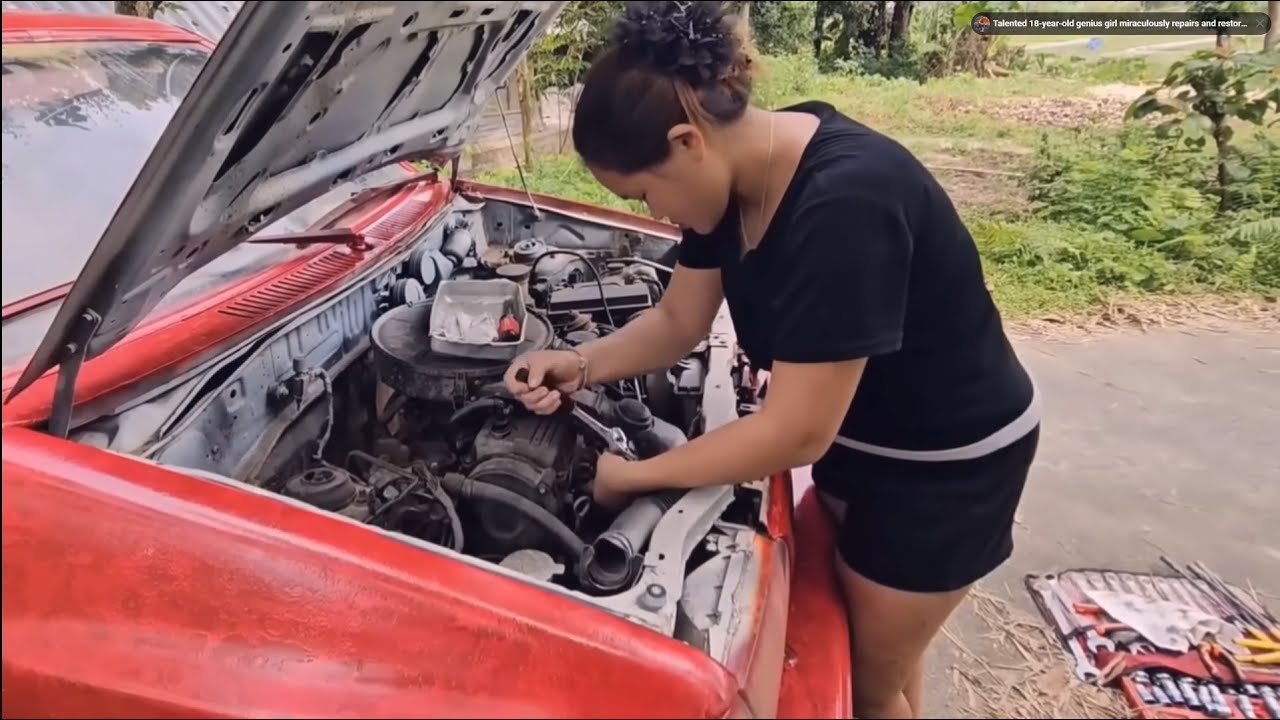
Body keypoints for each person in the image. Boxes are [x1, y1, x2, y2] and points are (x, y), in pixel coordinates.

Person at [503, 2, 1041, 717]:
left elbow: (795, 434)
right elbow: (676, 320)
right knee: (868, 650)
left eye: (644, 194)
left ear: (687, 140)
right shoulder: (738, 179)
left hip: (943, 472)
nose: (656, 216)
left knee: (868, 686)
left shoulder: (845, 203)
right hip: (868, 439)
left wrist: (634, 476)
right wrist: (580, 363)